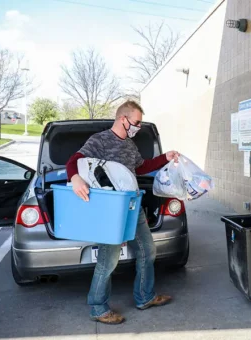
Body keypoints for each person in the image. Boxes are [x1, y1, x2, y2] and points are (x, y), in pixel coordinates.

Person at [65, 100, 180, 325]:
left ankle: (145, 297)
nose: (138, 126)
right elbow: (74, 161)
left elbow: (141, 167)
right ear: (123, 119)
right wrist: (75, 178)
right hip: (111, 211)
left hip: (132, 206)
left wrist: (165, 157)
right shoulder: (100, 140)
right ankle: (98, 308)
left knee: (148, 251)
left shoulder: (129, 144)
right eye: (136, 122)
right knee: (108, 261)